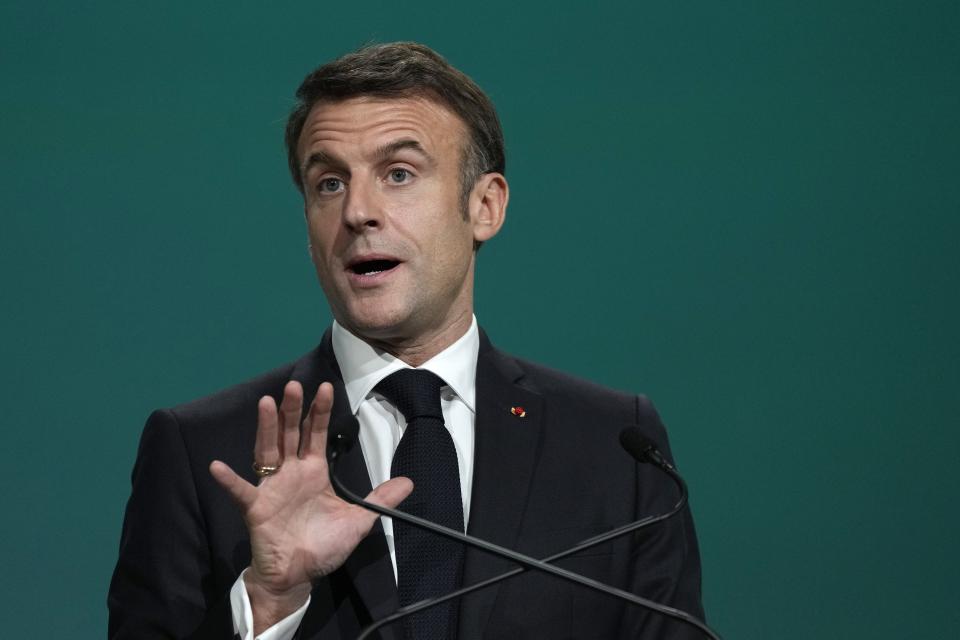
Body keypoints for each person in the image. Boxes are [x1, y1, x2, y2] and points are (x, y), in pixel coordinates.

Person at [108, 42, 704, 639]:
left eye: (399, 174)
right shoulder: (202, 453)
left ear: (485, 206)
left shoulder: (616, 448)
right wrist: (270, 599)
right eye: (330, 183)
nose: (358, 212)